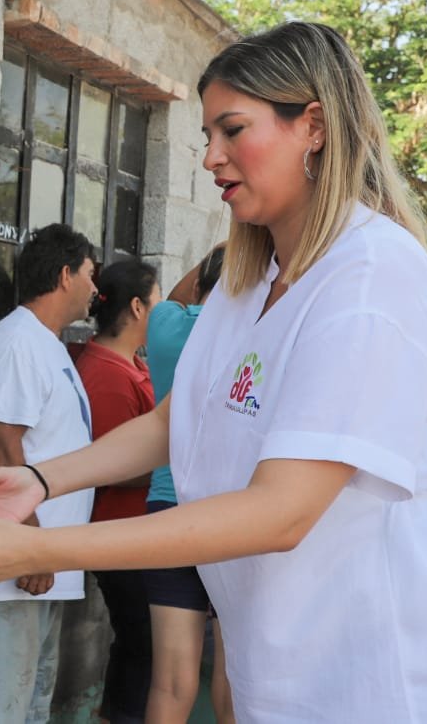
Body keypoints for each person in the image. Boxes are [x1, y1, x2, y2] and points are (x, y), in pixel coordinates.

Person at [0, 21, 427, 722]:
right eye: (206, 136)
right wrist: (43, 480)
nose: (210, 158)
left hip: (391, 659)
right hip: (288, 648)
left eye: (232, 130)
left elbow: (282, 510)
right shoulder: (247, 279)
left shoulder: (372, 274)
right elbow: (178, 419)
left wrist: (35, 546)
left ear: (313, 125)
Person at [0, 223, 97, 724]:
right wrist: (30, 541)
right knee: (2, 706)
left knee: (29, 701)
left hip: (39, 561)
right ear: (64, 275)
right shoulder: (18, 342)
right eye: (89, 276)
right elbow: (0, 445)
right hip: (16, 562)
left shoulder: (45, 343)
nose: (96, 289)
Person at [141, 245, 233, 724]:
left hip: (167, 510)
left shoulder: (166, 326)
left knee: (171, 680)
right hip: (233, 517)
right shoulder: (256, 331)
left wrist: (230, 245)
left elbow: (178, 294)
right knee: (232, 675)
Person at [72, 257, 160, 724]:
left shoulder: (130, 363)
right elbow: (109, 464)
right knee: (141, 644)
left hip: (138, 533)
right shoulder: (106, 373)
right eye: (158, 301)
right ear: (138, 308)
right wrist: (172, 469)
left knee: (144, 645)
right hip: (118, 532)